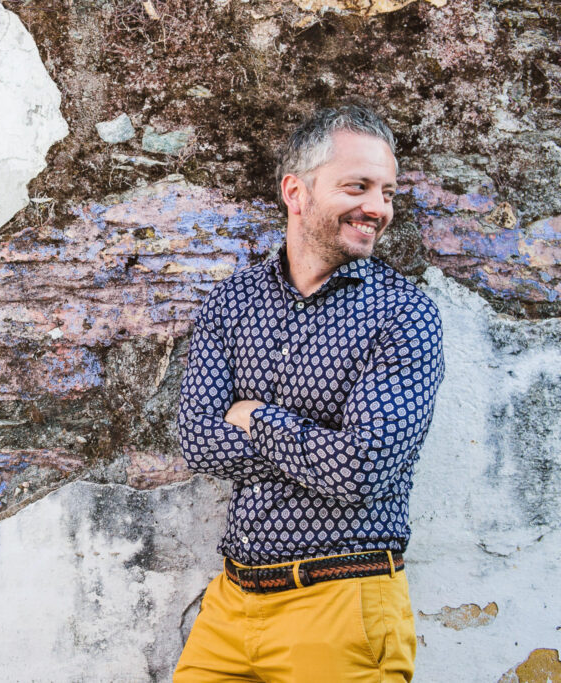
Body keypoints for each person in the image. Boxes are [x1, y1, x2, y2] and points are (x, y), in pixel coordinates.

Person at [174, 104, 444, 683]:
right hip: (231, 603)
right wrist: (315, 446)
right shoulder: (232, 303)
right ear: (296, 192)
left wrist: (257, 418)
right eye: (358, 186)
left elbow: (361, 469)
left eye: (388, 191)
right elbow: (197, 440)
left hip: (343, 604)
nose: (379, 207)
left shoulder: (404, 314)